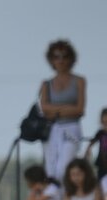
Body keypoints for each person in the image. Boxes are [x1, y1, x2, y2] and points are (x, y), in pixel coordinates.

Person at [39, 40, 86, 182]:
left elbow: (79, 109)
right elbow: (44, 109)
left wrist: (55, 110)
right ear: (51, 60)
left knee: (64, 168)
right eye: (56, 56)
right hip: (52, 129)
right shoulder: (47, 84)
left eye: (65, 56)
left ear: (71, 59)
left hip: (71, 128)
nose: (61, 60)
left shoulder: (79, 81)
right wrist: (66, 108)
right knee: (51, 170)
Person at [82, 107, 107, 184]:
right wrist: (86, 153)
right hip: (102, 163)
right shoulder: (100, 133)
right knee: (100, 182)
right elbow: (91, 144)